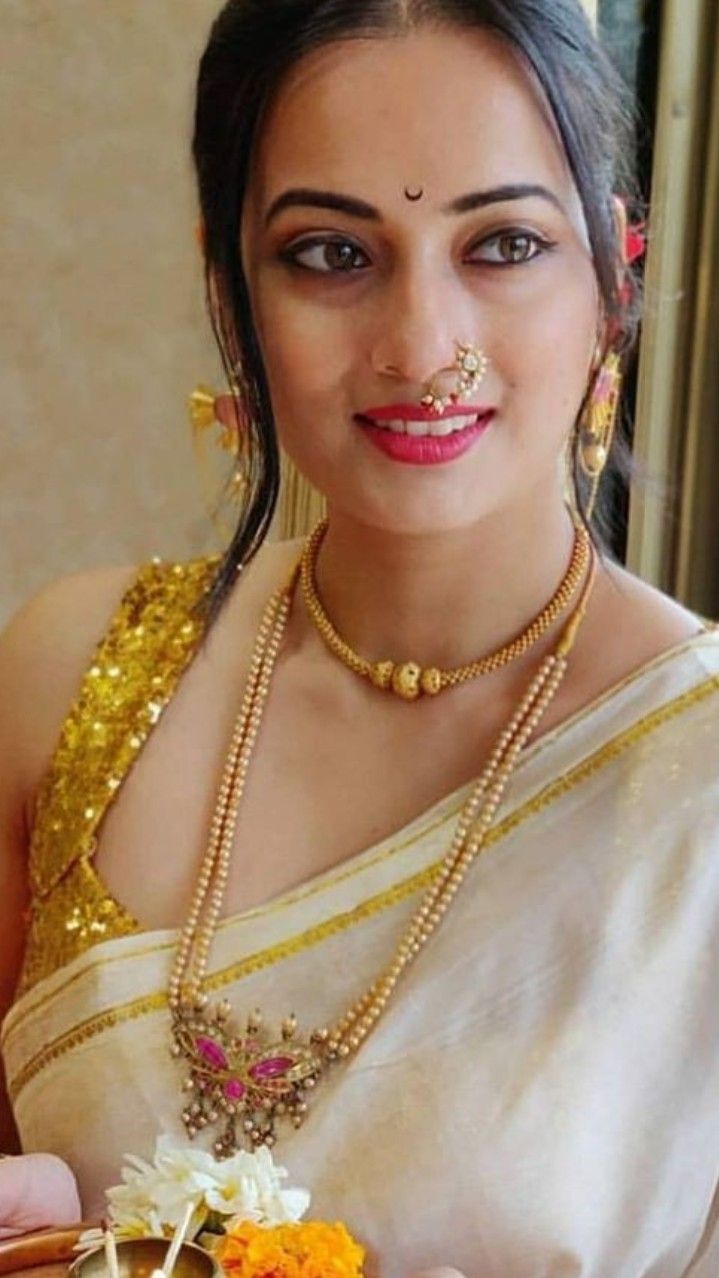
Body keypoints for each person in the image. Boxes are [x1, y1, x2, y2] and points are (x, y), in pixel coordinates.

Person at [1, 1, 718, 1275]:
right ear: (232, 297)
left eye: (500, 243)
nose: (419, 347)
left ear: (612, 275)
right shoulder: (70, 677)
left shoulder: (696, 777)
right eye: (331, 254)